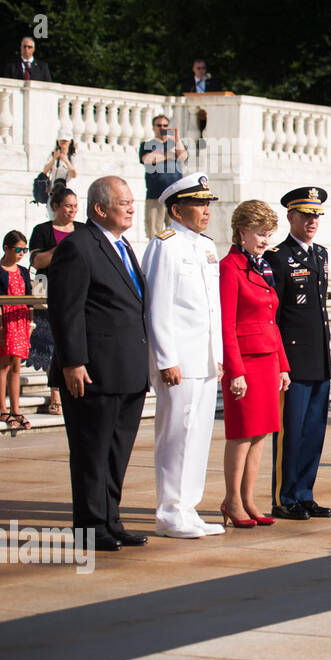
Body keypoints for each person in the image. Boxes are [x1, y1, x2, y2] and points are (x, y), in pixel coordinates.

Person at [47, 176, 150, 551]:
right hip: (92, 373)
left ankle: (111, 520)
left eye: (131, 201)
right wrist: (72, 362)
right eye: (123, 202)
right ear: (100, 209)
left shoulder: (123, 247)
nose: (131, 208)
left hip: (128, 372)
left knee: (116, 453)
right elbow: (66, 309)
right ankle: (90, 527)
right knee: (92, 453)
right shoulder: (78, 246)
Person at [141, 173, 227, 539]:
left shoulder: (206, 247)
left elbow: (212, 309)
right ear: (177, 209)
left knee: (199, 437)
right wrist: (165, 359)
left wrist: (217, 355)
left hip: (204, 360)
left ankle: (187, 508)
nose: (206, 210)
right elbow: (157, 307)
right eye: (198, 204)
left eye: (207, 203)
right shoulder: (165, 246)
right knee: (176, 437)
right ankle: (169, 513)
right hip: (179, 361)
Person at [264, 186, 331, 521]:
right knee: (290, 432)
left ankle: (305, 492)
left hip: (319, 358)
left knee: (313, 432)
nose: (312, 221)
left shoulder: (319, 254)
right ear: (290, 216)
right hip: (292, 360)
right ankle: (285, 496)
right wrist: (279, 362)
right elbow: (274, 315)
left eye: (316, 215)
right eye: (306, 215)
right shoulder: (277, 257)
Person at [221, 201, 290, 527]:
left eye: (268, 234)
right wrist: (236, 371)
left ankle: (248, 499)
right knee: (242, 434)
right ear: (241, 232)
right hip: (245, 364)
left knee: (262, 433)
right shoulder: (229, 267)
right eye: (260, 233)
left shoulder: (262, 267)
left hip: (267, 360)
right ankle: (232, 500)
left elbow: (271, 320)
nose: (265, 240)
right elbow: (226, 324)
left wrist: (283, 365)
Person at [27, 185, 83, 414]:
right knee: (51, 344)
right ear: (55, 207)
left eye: (75, 207)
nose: (72, 211)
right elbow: (37, 261)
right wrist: (63, 248)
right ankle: (55, 393)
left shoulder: (83, 230)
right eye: (68, 206)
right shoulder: (42, 230)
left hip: (78, 295)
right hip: (49, 295)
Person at [0, 231, 34, 430]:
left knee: (17, 365)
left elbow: (29, 296)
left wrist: (31, 323)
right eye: (18, 250)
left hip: (21, 319)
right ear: (7, 248)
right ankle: (2, 410)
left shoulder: (24, 271)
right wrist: (0, 325)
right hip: (6, 320)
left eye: (24, 250)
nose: (21, 254)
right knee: (4, 364)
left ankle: (16, 409)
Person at [139, 114, 187, 241]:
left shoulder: (175, 144)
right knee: (154, 233)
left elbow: (183, 157)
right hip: (155, 196)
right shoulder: (146, 145)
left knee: (177, 233)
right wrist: (168, 155)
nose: (162, 128)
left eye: (165, 125)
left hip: (175, 197)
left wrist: (176, 138)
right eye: (159, 125)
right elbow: (147, 159)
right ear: (153, 127)